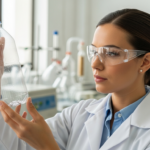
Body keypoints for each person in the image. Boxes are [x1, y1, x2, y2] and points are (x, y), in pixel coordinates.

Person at [1, 8, 150, 150]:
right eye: (94, 51)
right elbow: (21, 145)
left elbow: (44, 144)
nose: (95, 64)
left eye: (111, 53)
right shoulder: (79, 114)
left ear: (145, 61)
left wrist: (48, 147)